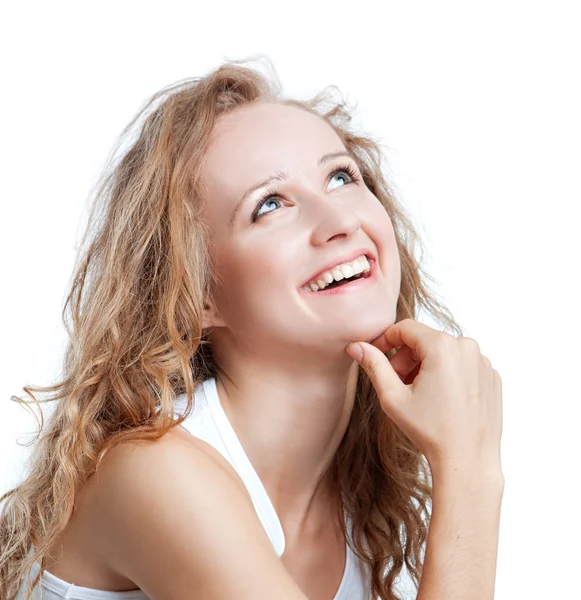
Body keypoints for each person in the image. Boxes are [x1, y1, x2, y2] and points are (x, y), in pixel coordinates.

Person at [0, 56, 504, 600]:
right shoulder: (155, 471)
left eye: (340, 176)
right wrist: (471, 468)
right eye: (270, 205)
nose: (339, 222)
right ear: (196, 294)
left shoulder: (358, 494)